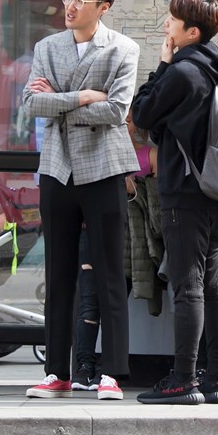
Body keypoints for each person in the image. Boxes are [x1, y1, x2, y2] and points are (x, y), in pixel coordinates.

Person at [22, 0, 140, 401]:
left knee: (110, 271)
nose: (69, 6)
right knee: (58, 273)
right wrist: (84, 96)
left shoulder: (123, 48)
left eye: (80, 0)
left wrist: (60, 101)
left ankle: (112, 372)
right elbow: (33, 103)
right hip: (57, 168)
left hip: (104, 167)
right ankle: (57, 371)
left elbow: (117, 111)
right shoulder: (47, 46)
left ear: (103, 8)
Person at [131, 0, 218, 405]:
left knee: (188, 285)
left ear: (191, 31)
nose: (167, 24)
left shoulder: (182, 72)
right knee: (214, 285)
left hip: (183, 190)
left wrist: (161, 64)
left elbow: (142, 113)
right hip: (215, 190)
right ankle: (215, 378)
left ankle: (183, 379)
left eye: (173, 20)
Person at [72, 113, 157, 392]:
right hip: (90, 231)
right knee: (88, 302)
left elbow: (158, 202)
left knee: (113, 303)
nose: (124, 123)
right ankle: (83, 365)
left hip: (132, 241)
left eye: (131, 118)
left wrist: (134, 186)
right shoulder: (95, 150)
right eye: (121, 117)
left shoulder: (149, 155)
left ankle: (107, 368)